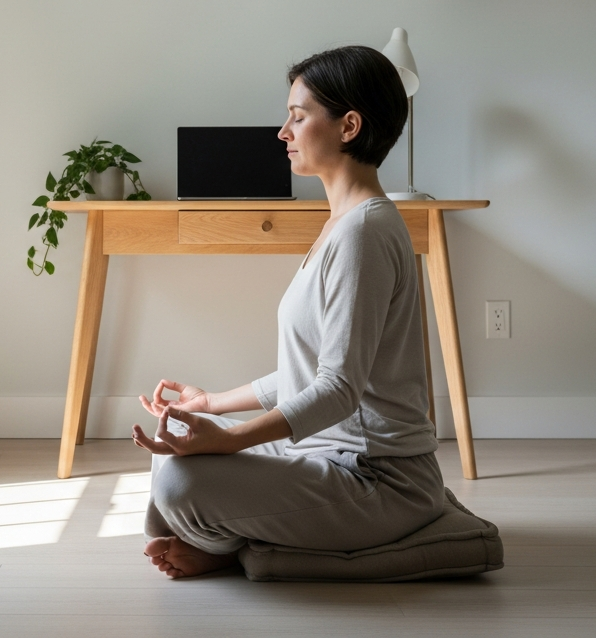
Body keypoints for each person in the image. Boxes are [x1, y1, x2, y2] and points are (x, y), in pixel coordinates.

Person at [131, 45, 445, 579]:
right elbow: (312, 369)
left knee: (180, 481)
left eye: (298, 117)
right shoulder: (343, 224)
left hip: (378, 481)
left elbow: (339, 388)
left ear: (349, 126)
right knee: (180, 440)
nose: (283, 132)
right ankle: (230, 537)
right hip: (324, 457)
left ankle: (231, 546)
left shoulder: (363, 234)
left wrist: (232, 437)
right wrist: (215, 404)